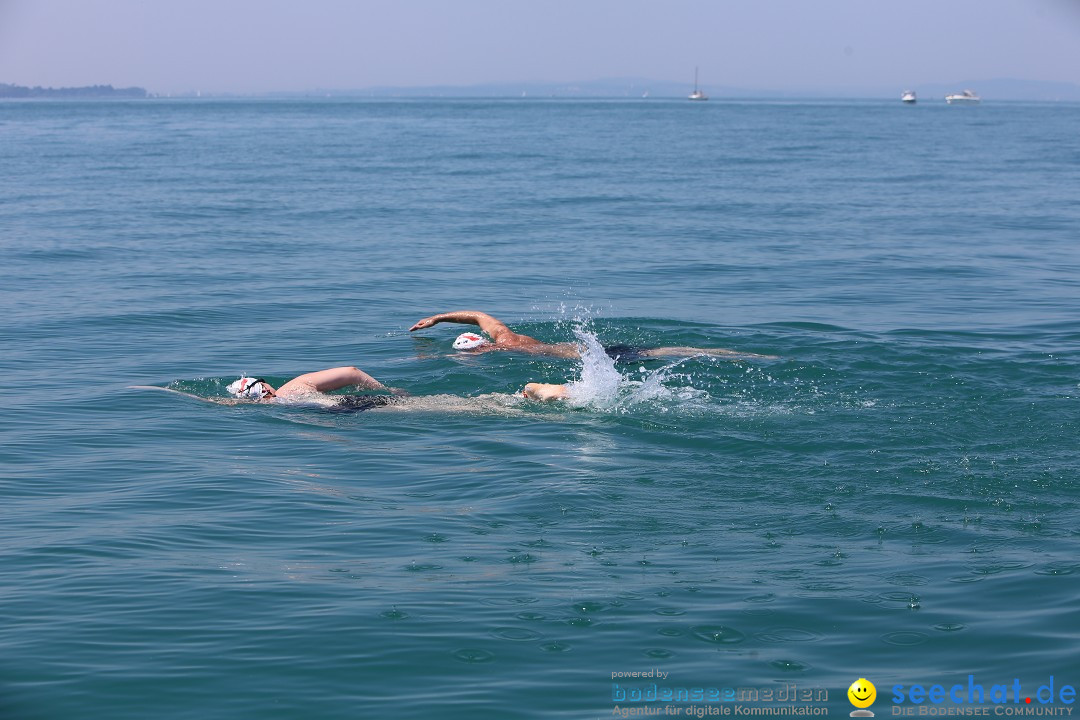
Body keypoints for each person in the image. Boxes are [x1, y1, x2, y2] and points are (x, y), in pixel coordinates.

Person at [409, 310, 775, 361]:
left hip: (591, 359)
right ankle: (744, 354)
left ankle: (744, 357)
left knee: (663, 355)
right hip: (590, 348)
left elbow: (479, 340)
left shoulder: (498, 349)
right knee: (669, 349)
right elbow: (476, 315)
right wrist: (438, 318)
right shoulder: (506, 334)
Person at [226, 366, 402, 411]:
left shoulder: (276, 405)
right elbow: (352, 372)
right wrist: (388, 389)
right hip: (354, 403)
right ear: (264, 388)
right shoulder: (293, 386)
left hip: (335, 413)